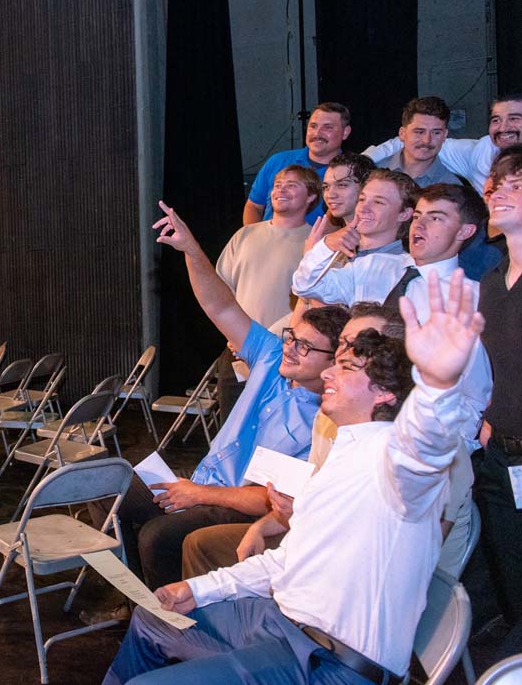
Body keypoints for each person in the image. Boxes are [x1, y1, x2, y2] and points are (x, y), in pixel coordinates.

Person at [103, 270, 483, 685]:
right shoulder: (346, 448)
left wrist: (438, 385)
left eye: (346, 367)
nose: (328, 375)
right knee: (152, 621)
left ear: (385, 393)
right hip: (281, 623)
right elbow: (289, 558)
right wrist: (199, 590)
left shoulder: (396, 459)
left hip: (329, 663)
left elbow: (428, 447)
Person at [111, 202, 346, 592]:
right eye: (291, 337)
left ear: (332, 362)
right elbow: (219, 304)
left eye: (304, 347)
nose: (290, 347)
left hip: (232, 504)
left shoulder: (326, 421)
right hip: (205, 483)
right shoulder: (271, 357)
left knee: (158, 537)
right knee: (111, 492)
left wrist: (198, 494)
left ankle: (173, 622)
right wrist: (190, 248)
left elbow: (274, 503)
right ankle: (138, 602)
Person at [292, 182, 492, 435]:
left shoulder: (470, 298)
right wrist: (326, 246)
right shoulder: (376, 266)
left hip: (421, 431)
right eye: (417, 215)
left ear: (465, 231)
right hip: (354, 421)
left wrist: (454, 446)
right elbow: (306, 285)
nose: (419, 225)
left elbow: (475, 388)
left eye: (436, 218)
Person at [474, 146, 522, 633]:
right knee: (514, 578)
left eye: (517, 185)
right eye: (496, 185)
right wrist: (490, 420)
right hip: (501, 460)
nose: (499, 193)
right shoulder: (491, 282)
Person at [214, 165, 319, 415]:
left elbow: (313, 304)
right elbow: (219, 293)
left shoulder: (316, 245)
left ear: (312, 196)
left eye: (292, 185)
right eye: (278, 184)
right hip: (236, 353)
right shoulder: (244, 235)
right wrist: (232, 334)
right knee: (230, 435)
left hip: (285, 356)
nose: (281, 189)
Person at [366, 92, 522, 193]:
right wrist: (360, 164)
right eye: (496, 120)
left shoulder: (450, 185)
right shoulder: (479, 151)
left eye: (514, 118)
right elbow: (407, 144)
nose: (503, 127)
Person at [243, 102, 352, 225]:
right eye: (313, 126)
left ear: (345, 132)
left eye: (328, 127)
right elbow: (254, 206)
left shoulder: (351, 173)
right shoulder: (277, 161)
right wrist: (253, 237)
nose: (317, 133)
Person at [372, 96, 464, 187]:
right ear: (402, 133)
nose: (427, 140)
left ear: (444, 136)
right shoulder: (372, 173)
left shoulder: (451, 188)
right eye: (419, 132)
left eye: (436, 133)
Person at [320, 153, 375, 228]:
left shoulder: (382, 236)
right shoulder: (329, 237)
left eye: (342, 185)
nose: (330, 195)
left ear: (366, 186)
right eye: (326, 187)